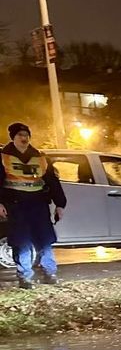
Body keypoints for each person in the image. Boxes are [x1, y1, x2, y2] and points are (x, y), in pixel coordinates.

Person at [0, 122, 66, 289]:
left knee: (44, 239)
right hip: (16, 205)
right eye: (20, 135)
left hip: (38, 204)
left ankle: (49, 272)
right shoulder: (3, 157)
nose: (24, 138)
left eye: (26, 135)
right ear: (13, 138)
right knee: (22, 241)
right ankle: (25, 277)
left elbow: (52, 181)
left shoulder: (40, 158)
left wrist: (60, 204)